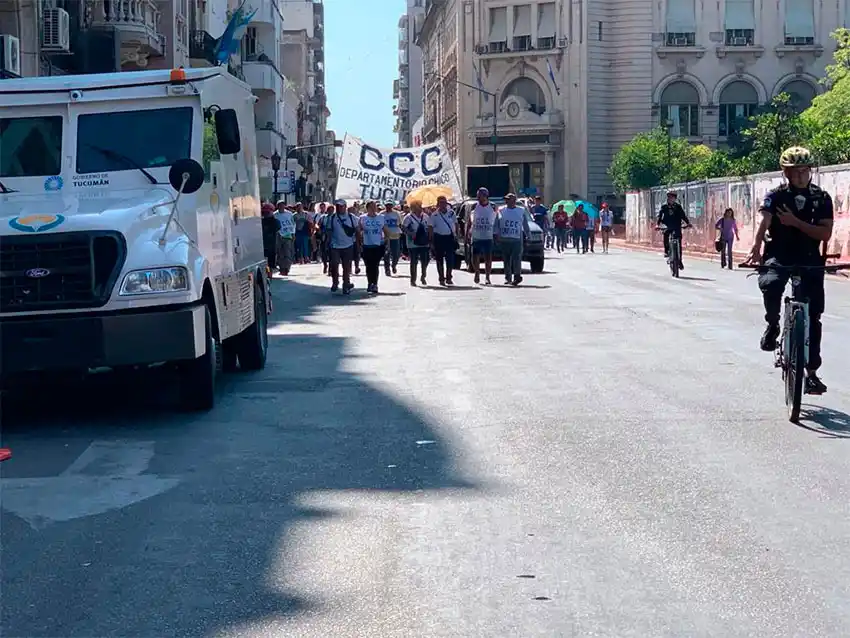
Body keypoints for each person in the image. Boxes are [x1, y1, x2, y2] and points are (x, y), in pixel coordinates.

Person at [745, 146, 834, 395]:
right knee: (770, 284)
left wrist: (795, 222)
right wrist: (755, 247)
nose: (801, 176)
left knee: (814, 316)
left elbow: (825, 233)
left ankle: (812, 373)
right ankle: (773, 324)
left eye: (805, 171)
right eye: (796, 172)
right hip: (779, 254)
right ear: (786, 173)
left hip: (809, 256)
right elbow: (765, 221)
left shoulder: (822, 198)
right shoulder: (776, 195)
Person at [326, 199, 359, 294]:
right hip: (335, 245)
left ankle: (346, 285)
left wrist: (359, 243)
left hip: (348, 245)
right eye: (338, 206)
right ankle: (335, 282)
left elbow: (357, 230)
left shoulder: (351, 217)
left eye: (341, 206)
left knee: (346, 267)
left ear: (345, 207)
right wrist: (327, 243)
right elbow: (329, 231)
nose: (339, 208)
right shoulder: (332, 218)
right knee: (334, 265)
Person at [497, 193, 530, 286]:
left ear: (514, 201)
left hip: (516, 239)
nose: (506, 201)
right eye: (506, 199)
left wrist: (528, 235)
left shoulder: (521, 211)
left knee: (516, 259)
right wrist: (496, 234)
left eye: (508, 199)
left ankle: (517, 276)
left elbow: (525, 225)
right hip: (504, 238)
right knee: (506, 259)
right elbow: (497, 223)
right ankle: (508, 278)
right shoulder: (501, 210)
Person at [468, 187, 498, 285]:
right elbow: (469, 221)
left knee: (488, 257)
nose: (479, 198)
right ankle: (477, 272)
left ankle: (487, 277)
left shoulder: (493, 207)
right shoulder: (474, 207)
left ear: (486, 196)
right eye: (478, 196)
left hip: (488, 236)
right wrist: (467, 232)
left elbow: (497, 220)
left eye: (480, 196)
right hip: (476, 235)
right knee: (475, 256)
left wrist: (496, 234)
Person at [359, 200, 390, 293]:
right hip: (366, 245)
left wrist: (386, 240)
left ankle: (375, 284)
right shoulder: (362, 218)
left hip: (378, 245)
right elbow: (359, 230)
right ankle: (370, 283)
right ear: (367, 208)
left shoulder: (381, 217)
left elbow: (385, 229)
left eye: (375, 206)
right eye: (371, 207)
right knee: (368, 266)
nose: (373, 208)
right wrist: (359, 242)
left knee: (375, 265)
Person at [656, 191, 690, 270]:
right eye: (669, 197)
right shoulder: (664, 207)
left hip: (677, 226)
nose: (670, 199)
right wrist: (657, 225)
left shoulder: (678, 207)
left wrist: (688, 223)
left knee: (678, 243)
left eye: (672, 197)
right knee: (666, 235)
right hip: (667, 225)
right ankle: (667, 251)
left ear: (675, 199)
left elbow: (683, 216)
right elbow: (660, 216)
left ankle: (679, 260)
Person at [429, 195, 458, 286]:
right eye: (441, 202)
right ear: (438, 204)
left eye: (444, 202)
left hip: (449, 238)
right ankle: (441, 277)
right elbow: (430, 228)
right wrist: (431, 241)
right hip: (439, 238)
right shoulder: (434, 215)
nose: (443, 204)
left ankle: (449, 277)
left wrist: (456, 235)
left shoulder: (451, 213)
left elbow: (456, 224)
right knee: (439, 259)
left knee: (450, 258)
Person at [403, 199, 431, 286]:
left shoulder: (426, 216)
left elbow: (429, 227)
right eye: (416, 206)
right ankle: (413, 279)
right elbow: (404, 228)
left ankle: (423, 275)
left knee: (425, 260)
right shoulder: (408, 217)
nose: (419, 208)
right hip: (413, 243)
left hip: (424, 242)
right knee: (414, 261)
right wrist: (411, 233)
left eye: (419, 206)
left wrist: (430, 237)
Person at [382, 200, 402, 276]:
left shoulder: (397, 214)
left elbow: (400, 224)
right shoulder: (382, 214)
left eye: (390, 205)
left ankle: (394, 265)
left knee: (396, 253)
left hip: (395, 235)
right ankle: (387, 269)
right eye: (387, 205)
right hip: (386, 237)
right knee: (386, 254)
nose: (388, 206)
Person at [275, 202, 295, 275]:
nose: (281, 207)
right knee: (280, 253)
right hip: (278, 236)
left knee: (287, 253)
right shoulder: (275, 215)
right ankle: (281, 268)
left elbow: (293, 224)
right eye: (280, 205)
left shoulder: (289, 214)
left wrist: (293, 234)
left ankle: (287, 268)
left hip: (288, 235)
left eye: (283, 205)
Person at [261, 203, 281, 272]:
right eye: (264, 212)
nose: (266, 214)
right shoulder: (260, 222)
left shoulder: (275, 221)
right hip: (262, 244)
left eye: (268, 212)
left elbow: (278, 228)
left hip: (272, 244)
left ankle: (271, 270)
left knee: (271, 258)